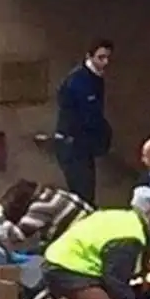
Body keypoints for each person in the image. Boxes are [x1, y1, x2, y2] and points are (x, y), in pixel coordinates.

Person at [12, 189, 150, 299]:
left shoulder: (128, 218)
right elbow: (115, 282)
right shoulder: (131, 239)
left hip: (69, 264)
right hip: (68, 270)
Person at [53, 39, 114, 206]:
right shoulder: (79, 81)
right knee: (82, 193)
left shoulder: (94, 79)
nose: (105, 62)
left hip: (81, 145)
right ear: (90, 56)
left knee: (86, 191)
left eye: (107, 58)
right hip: (73, 144)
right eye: (101, 57)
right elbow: (87, 115)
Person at [0, 179, 94, 251]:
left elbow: (18, 237)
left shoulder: (38, 207)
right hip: (91, 230)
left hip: (83, 241)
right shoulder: (55, 193)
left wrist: (2, 220)